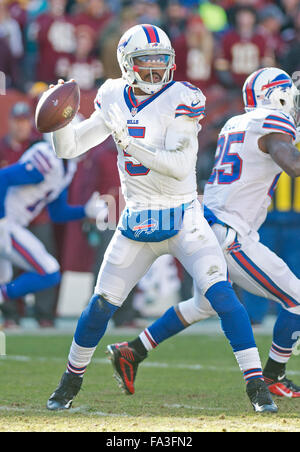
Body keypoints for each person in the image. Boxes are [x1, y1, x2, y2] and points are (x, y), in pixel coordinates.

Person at [46, 24, 277, 413]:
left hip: (184, 214)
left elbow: (179, 164)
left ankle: (257, 388)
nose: (155, 70)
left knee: (222, 295)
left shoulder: (182, 97)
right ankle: (69, 382)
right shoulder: (112, 94)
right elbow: (71, 147)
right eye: (144, 63)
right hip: (136, 218)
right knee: (100, 306)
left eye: (161, 62)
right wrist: (58, 119)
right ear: (126, 64)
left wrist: (130, 141)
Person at [107, 67, 300, 400]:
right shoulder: (273, 123)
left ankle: (133, 350)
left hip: (208, 225)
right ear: (277, 96)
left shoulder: (237, 123)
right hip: (230, 233)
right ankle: (273, 376)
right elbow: (292, 163)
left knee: (203, 306)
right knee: (297, 299)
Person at [0, 139, 107, 323]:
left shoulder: (66, 167)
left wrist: (85, 211)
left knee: (7, 277)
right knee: (48, 271)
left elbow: (57, 213)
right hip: (7, 223)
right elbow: (3, 177)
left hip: (13, 224)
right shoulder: (48, 158)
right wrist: (1, 219)